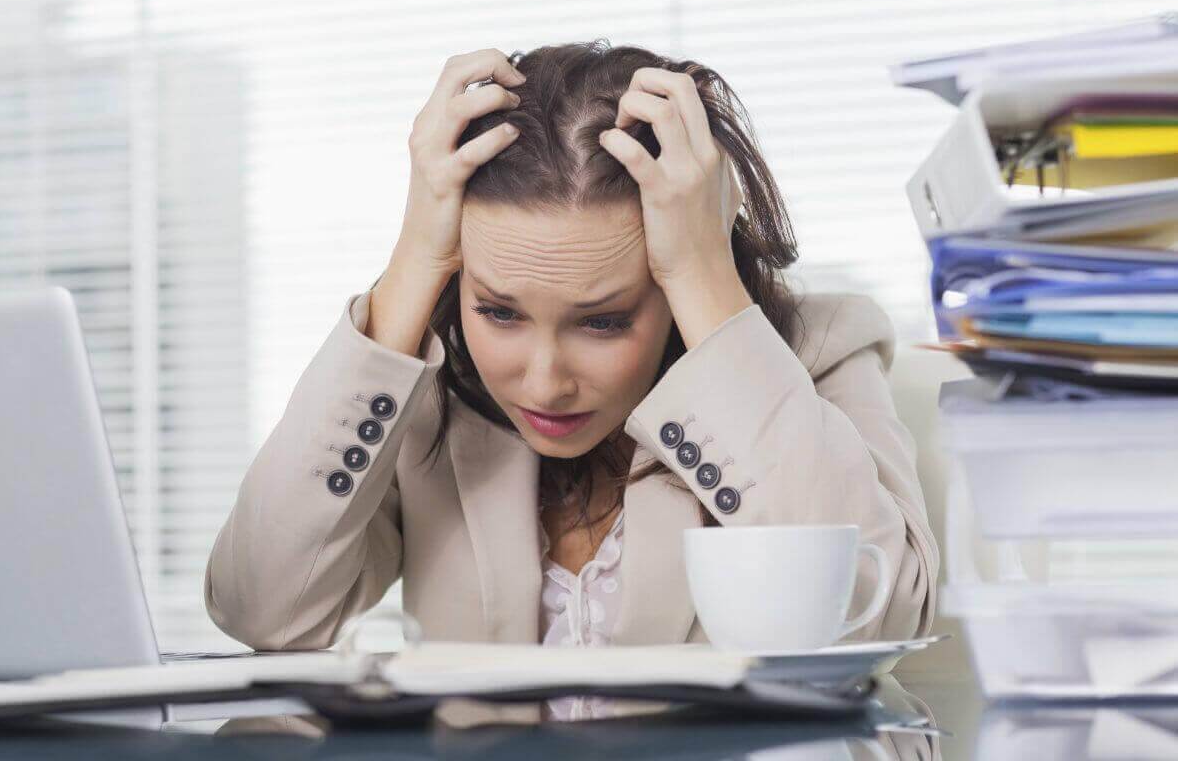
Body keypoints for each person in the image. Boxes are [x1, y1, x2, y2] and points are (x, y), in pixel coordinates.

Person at [204, 43, 939, 707]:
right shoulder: (427, 398)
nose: (544, 382)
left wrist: (705, 276)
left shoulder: (823, 353)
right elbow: (262, 607)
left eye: (604, 321)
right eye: (499, 312)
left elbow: (878, 617)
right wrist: (413, 264)